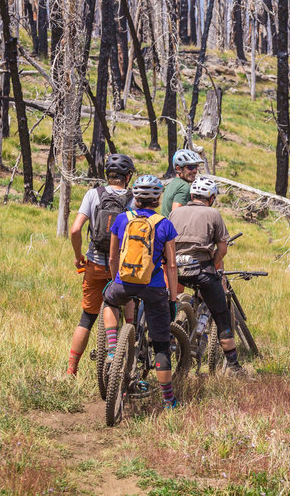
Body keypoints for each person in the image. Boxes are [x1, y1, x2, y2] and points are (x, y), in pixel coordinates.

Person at [103, 174, 181, 409]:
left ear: (135, 197)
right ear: (158, 198)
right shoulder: (164, 223)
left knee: (109, 303)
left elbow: (113, 256)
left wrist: (114, 280)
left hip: (124, 282)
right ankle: (168, 400)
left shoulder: (121, 219)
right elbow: (172, 265)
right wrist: (173, 298)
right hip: (154, 286)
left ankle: (112, 347)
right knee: (161, 344)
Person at [65, 154, 135, 376]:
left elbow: (75, 229)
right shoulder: (133, 199)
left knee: (87, 317)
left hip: (94, 263)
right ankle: (130, 355)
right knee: (130, 306)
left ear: (108, 176)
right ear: (128, 177)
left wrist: (78, 256)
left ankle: (71, 369)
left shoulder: (93, 194)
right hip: (122, 267)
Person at [169, 177, 246, 377]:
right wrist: (212, 263)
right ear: (210, 198)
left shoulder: (174, 212)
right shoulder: (213, 213)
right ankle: (234, 367)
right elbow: (222, 248)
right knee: (222, 316)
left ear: (192, 196)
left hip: (175, 270)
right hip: (200, 271)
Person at [162, 149, 204, 215]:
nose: (195, 171)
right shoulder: (184, 187)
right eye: (190, 167)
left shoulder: (171, 184)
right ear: (178, 169)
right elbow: (177, 215)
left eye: (196, 167)